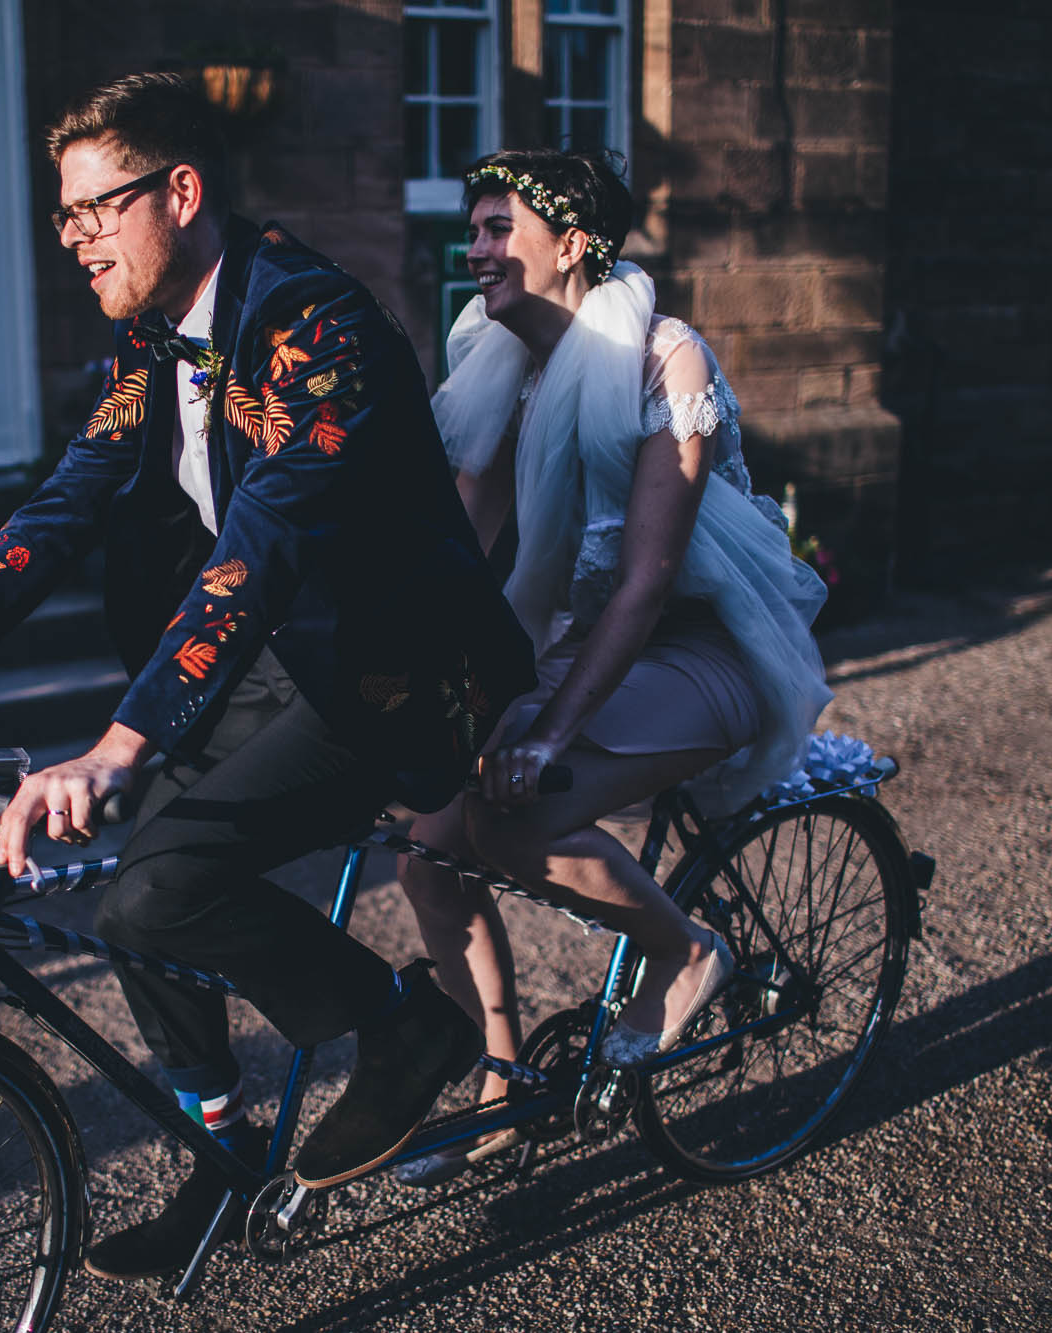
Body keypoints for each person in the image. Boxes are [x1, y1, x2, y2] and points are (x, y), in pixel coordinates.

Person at [0, 73, 535, 1275]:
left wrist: (120, 742)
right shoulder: (154, 341)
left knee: (158, 883)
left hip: (395, 675)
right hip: (278, 658)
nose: (75, 239)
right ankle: (222, 1154)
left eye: (95, 210)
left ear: (179, 193)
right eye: (62, 216)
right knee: (138, 891)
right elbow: (68, 496)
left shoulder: (314, 326)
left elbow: (260, 548)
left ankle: (406, 1032)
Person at [392, 148, 832, 1184]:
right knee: (426, 843)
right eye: (474, 227)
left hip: (698, 650)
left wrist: (541, 730)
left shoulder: (663, 357)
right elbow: (458, 554)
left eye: (499, 228)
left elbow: (643, 581)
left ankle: (683, 951)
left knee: (513, 809)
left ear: (571, 244)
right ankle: (499, 1088)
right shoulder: (507, 365)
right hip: (577, 647)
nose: (476, 248)